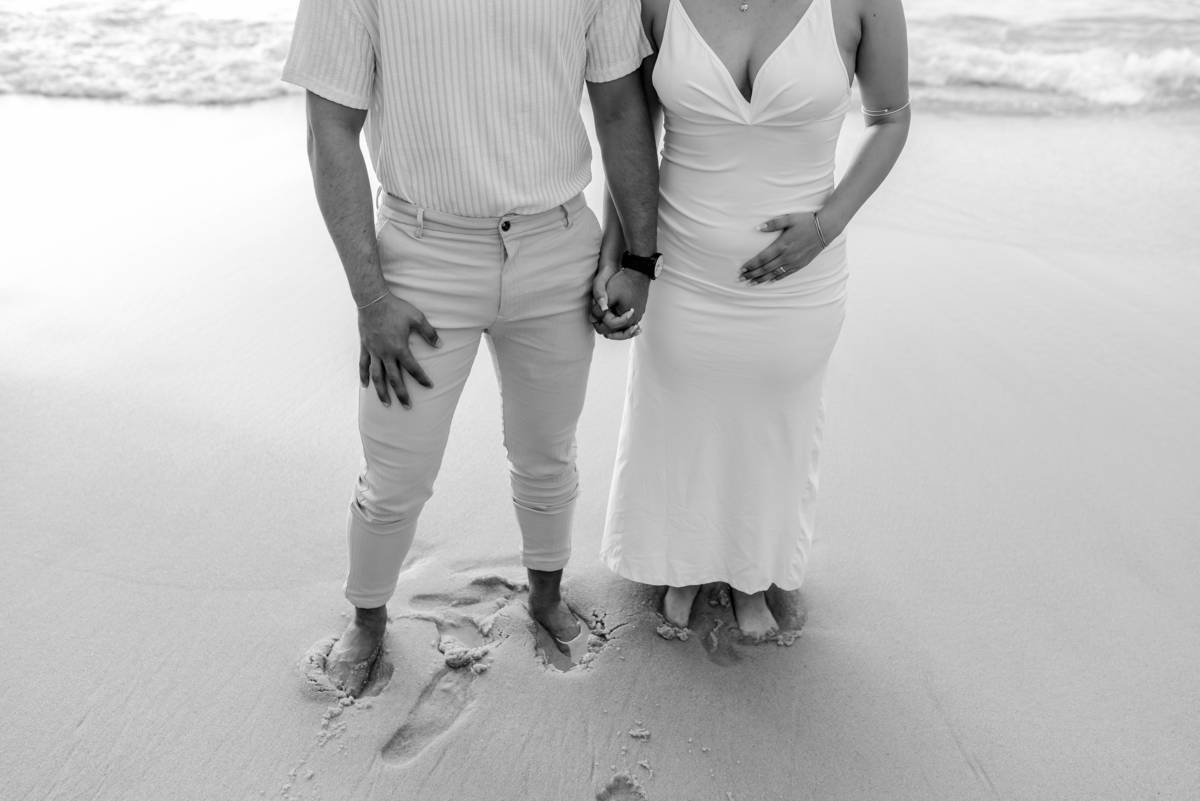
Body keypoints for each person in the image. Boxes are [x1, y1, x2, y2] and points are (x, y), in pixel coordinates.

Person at [282, 0, 660, 695]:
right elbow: (330, 128)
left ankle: (545, 595)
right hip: (423, 256)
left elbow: (621, 109)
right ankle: (367, 617)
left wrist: (639, 256)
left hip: (557, 244)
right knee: (397, 468)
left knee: (547, 450)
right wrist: (371, 299)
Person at [593, 0, 910, 638]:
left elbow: (891, 118)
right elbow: (631, 134)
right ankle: (681, 562)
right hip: (680, 264)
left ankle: (752, 573)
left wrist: (825, 227)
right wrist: (623, 257)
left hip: (800, 278)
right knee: (679, 414)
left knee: (776, 422)